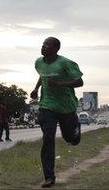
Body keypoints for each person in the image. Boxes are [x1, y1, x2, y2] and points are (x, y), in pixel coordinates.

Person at [30, 37, 83, 188]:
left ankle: (75, 130)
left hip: (66, 106)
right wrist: (36, 88)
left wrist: (59, 84)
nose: (43, 46)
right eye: (43, 44)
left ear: (55, 49)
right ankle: (49, 177)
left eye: (47, 45)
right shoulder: (39, 62)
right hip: (47, 105)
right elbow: (42, 74)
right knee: (48, 138)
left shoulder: (65, 63)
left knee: (70, 138)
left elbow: (80, 82)